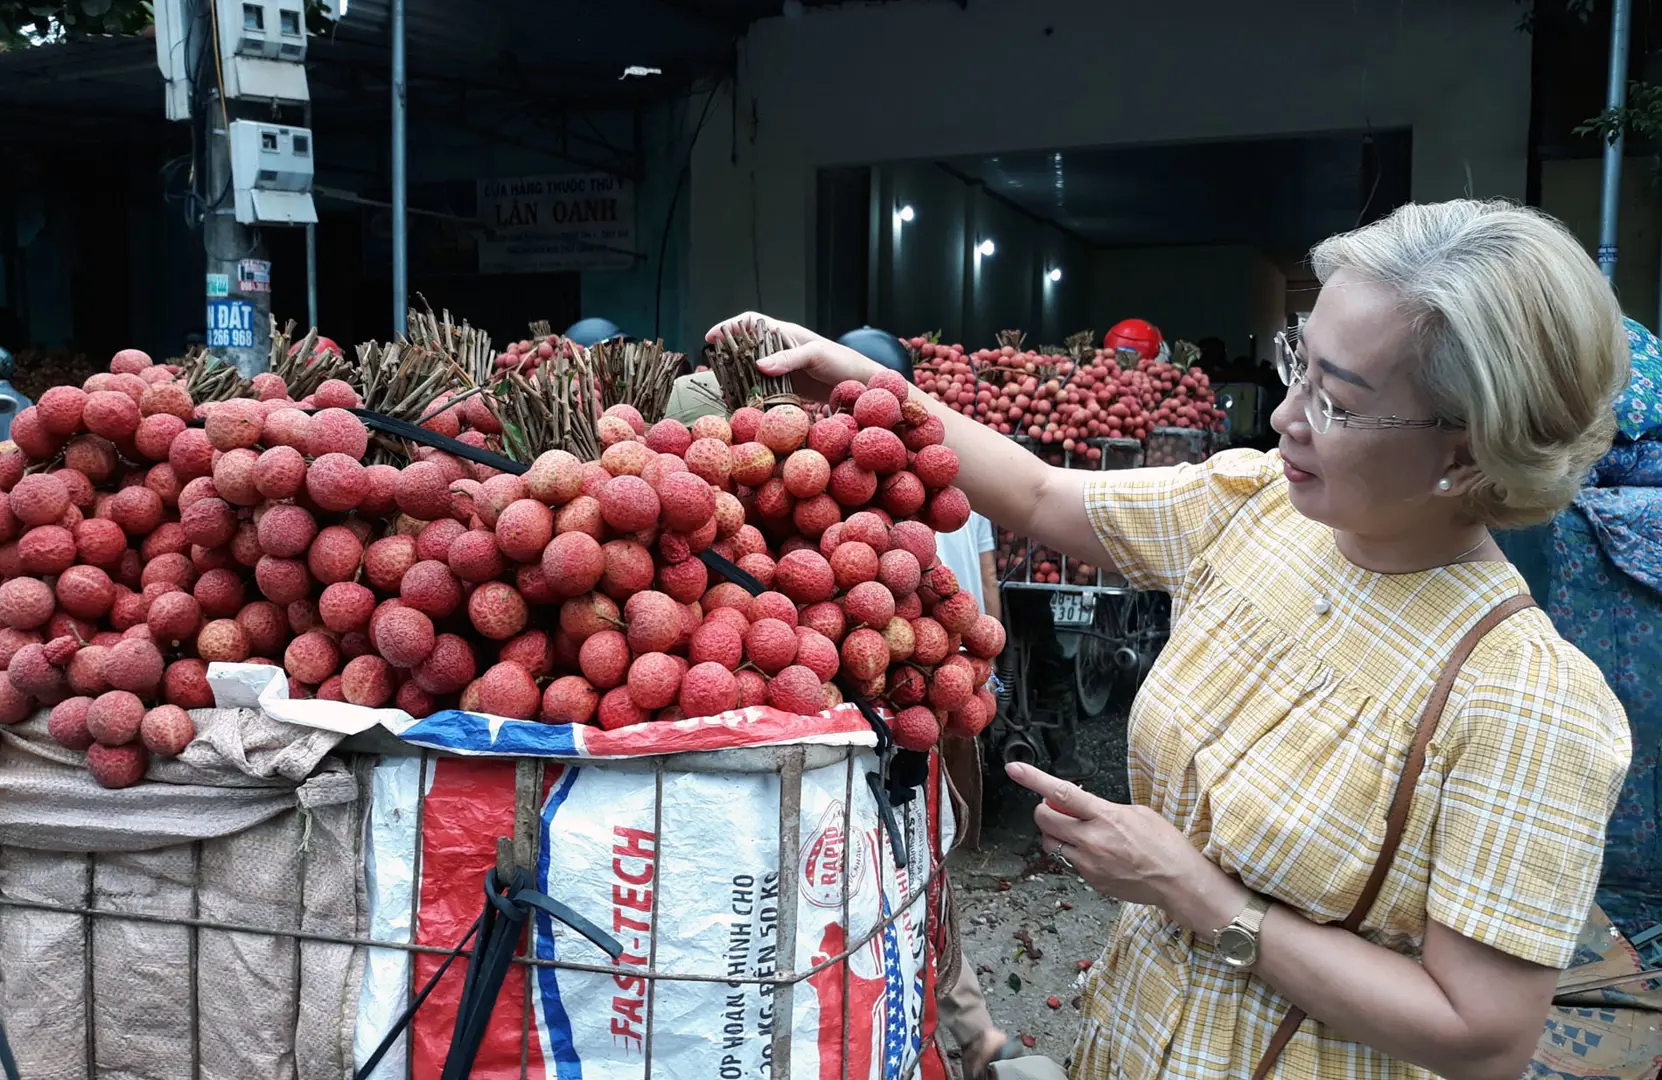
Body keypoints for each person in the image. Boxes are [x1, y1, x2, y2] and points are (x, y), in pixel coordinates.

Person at [707, 199, 1633, 1080]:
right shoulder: (1260, 509)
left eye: (1339, 402)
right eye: (1296, 364)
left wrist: (1198, 895)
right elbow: (1039, 496)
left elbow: (1486, 1039)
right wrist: (866, 381)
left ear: (1470, 452)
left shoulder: (1525, 699)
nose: (1284, 417)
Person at [832, 325, 1012, 1077]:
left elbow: (982, 602)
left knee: (916, 867)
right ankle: (965, 1035)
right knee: (907, 870)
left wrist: (979, 664)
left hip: (927, 694)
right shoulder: (851, 482)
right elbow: (989, 596)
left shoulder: (948, 486)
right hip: (883, 701)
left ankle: (963, 1034)